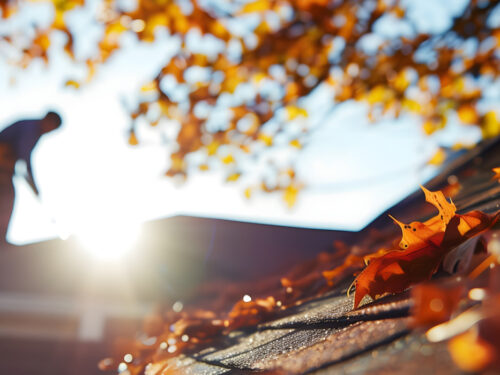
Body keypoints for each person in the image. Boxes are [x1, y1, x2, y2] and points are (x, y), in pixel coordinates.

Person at [0, 111, 62, 245]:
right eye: (52, 127)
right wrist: (34, 186)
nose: (50, 131)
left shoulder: (34, 130)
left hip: (5, 166)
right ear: (48, 120)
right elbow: (25, 158)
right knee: (6, 196)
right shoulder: (31, 129)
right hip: (2, 165)